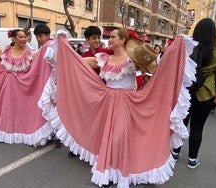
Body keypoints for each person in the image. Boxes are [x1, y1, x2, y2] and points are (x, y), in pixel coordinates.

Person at [43, 29, 197, 187]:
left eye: (113, 37)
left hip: (125, 103)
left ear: (123, 40)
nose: (109, 40)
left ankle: (118, 170)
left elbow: (157, 69)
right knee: (107, 137)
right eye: (109, 37)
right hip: (106, 101)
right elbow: (79, 61)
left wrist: (175, 48)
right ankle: (108, 173)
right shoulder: (105, 58)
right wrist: (64, 48)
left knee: (118, 138)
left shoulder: (133, 58)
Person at [172, 18, 216, 169]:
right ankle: (192, 160)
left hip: (185, 92)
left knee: (181, 123)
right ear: (213, 34)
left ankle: (175, 153)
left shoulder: (188, 48)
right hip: (205, 95)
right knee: (197, 128)